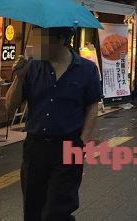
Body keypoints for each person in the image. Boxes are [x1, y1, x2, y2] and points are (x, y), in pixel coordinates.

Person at [5, 27, 102, 221]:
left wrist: (82, 142)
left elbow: (92, 107)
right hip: (35, 147)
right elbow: (10, 105)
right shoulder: (32, 67)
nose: (37, 45)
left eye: (42, 39)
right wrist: (19, 77)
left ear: (61, 39)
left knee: (57, 211)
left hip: (69, 145)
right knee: (33, 209)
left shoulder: (86, 69)